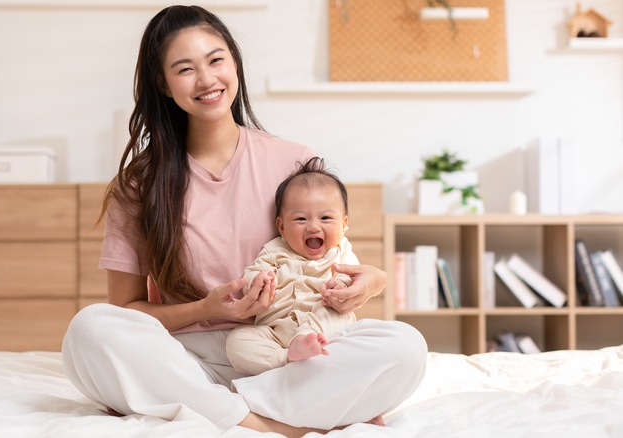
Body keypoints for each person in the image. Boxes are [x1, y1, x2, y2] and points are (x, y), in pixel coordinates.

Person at [61, 5, 427, 436]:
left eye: (216, 60)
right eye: (185, 69)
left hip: (284, 347)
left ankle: (192, 404)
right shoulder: (138, 185)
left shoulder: (295, 161)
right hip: (187, 355)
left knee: (406, 347)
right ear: (162, 83)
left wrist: (375, 282)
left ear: (234, 61)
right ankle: (271, 421)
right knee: (91, 329)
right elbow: (126, 312)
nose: (207, 79)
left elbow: (331, 257)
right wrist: (206, 308)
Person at [225, 157, 360, 376]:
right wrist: (258, 281)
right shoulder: (275, 249)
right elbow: (254, 272)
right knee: (237, 341)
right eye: (300, 219)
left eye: (326, 218)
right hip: (276, 333)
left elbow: (353, 276)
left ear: (344, 224)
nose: (313, 226)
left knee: (339, 314)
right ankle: (287, 359)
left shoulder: (341, 251)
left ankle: (307, 343)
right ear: (282, 226)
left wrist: (342, 286)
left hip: (323, 329)